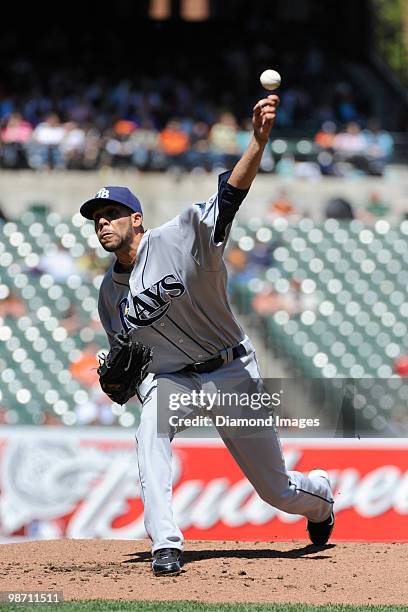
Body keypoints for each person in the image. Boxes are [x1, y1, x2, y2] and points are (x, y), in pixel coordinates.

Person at [79, 94, 335, 576]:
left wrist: (257, 141)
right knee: (148, 435)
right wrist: (123, 381)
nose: (102, 223)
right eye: (96, 218)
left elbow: (230, 196)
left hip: (232, 370)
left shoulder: (181, 236)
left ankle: (320, 499)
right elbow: (125, 356)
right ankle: (166, 543)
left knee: (275, 490)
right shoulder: (108, 295)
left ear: (136, 219)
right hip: (173, 380)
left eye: (110, 213)